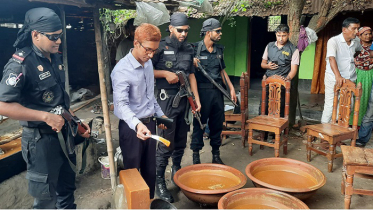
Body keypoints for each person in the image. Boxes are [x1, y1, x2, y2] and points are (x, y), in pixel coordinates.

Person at [0, 8, 90, 209]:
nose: (58, 41)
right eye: (53, 37)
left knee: (67, 190)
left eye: (60, 36)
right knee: (45, 200)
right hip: (40, 142)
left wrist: (76, 121)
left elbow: (59, 101)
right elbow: (3, 105)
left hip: (64, 134)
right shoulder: (20, 64)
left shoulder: (55, 57)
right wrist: (44, 116)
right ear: (35, 35)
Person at [111, 23, 167, 199]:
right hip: (131, 128)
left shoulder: (148, 64)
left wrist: (161, 115)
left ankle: (148, 203)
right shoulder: (121, 70)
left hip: (149, 124)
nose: (150, 55)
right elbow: (121, 105)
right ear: (136, 43)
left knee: (150, 170)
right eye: (148, 50)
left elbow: (150, 97)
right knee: (133, 174)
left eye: (154, 51)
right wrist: (137, 125)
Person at [152, 13, 200, 203]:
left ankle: (176, 171)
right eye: (180, 30)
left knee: (180, 140)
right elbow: (146, 71)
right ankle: (159, 182)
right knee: (165, 143)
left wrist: (196, 99)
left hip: (183, 101)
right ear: (171, 28)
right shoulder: (159, 47)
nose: (183, 34)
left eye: (186, 31)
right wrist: (164, 73)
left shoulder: (189, 48)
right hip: (164, 102)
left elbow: (191, 75)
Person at [191, 18, 236, 165]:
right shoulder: (195, 49)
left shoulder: (219, 50)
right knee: (199, 124)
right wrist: (191, 62)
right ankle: (196, 156)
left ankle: (216, 155)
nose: (220, 34)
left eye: (220, 31)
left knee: (217, 124)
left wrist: (231, 88)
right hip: (202, 93)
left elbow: (222, 71)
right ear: (208, 32)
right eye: (218, 31)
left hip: (217, 92)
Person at [321, 17, 362, 124]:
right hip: (333, 78)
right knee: (330, 105)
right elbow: (331, 58)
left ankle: (337, 130)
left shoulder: (356, 41)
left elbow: (358, 51)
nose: (357, 32)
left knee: (348, 105)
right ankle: (324, 133)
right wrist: (338, 76)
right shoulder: (333, 41)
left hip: (350, 79)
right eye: (354, 29)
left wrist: (353, 59)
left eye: (358, 28)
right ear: (344, 29)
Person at [260, 24, 299, 121]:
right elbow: (262, 64)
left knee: (280, 107)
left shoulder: (293, 49)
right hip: (269, 81)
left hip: (282, 84)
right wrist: (267, 66)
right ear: (276, 35)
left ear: (288, 35)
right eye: (279, 35)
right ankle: (262, 131)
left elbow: (294, 70)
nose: (281, 38)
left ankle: (275, 133)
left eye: (284, 35)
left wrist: (286, 80)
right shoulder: (269, 46)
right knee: (264, 106)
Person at [354, 27, 373, 126]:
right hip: (356, 73)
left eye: (370, 34)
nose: (368, 36)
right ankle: (352, 122)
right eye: (365, 34)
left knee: (367, 97)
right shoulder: (355, 45)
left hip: (370, 73)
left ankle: (364, 124)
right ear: (359, 35)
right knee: (355, 96)